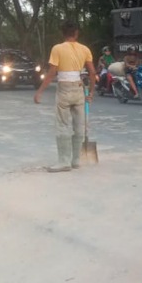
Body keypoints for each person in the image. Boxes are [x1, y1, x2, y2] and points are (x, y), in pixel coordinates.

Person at [34, 20, 96, 172]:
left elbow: (52, 73)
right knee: (79, 125)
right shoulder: (85, 49)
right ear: (76, 33)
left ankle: (64, 162)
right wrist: (91, 92)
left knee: (62, 125)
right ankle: (76, 160)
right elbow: (92, 72)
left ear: (63, 33)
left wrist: (40, 91)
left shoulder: (57, 48)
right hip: (79, 88)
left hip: (64, 89)